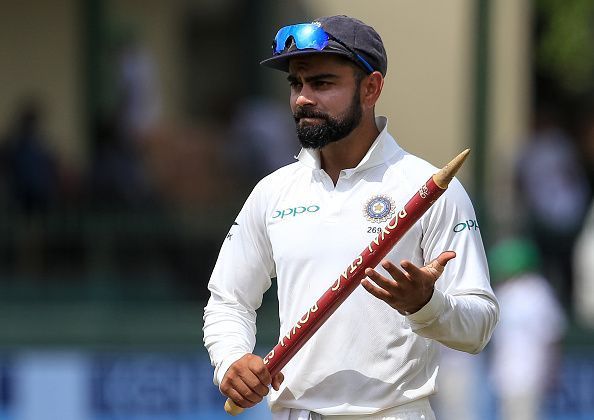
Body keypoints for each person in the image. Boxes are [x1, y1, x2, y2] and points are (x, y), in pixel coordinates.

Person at [203, 15, 499, 420]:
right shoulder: (273, 192)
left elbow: (480, 326)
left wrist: (427, 305)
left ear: (372, 87)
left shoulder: (427, 187)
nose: (303, 98)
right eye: (296, 84)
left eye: (322, 83)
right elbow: (228, 300)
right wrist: (232, 359)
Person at [488, 238, 566, 420]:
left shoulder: (538, 291)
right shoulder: (503, 293)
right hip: (506, 376)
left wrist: (552, 371)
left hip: (531, 375)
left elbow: (552, 335)